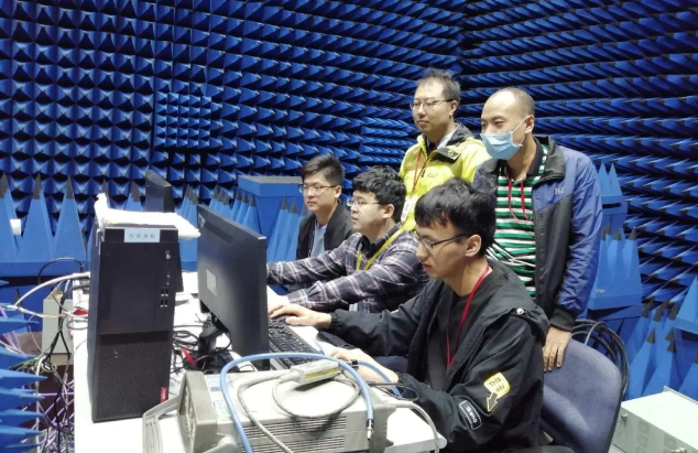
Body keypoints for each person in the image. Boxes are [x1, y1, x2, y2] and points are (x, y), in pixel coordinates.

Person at [270, 179, 548, 453]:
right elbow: (394, 327)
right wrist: (327, 319)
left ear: (471, 245)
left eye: (431, 243)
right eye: (419, 238)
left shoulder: (511, 322)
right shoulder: (446, 282)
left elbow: (469, 422)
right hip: (434, 420)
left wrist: (391, 380)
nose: (419, 253)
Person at [474, 87, 603, 372]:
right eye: (483, 124)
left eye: (498, 123)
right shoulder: (484, 172)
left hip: (536, 312)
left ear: (528, 123)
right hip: (486, 304)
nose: (488, 133)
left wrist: (562, 321)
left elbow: (585, 248)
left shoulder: (574, 169)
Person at [267, 166, 427, 313]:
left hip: (385, 335)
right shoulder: (357, 242)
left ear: (387, 211)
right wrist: (263, 270)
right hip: (357, 329)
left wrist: (288, 301)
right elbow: (313, 266)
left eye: (361, 203)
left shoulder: (407, 251)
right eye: (353, 201)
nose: (353, 209)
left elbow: (357, 284)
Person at [399, 68, 490, 230]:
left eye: (430, 103)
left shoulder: (473, 153)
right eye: (416, 104)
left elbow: (476, 213)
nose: (420, 111)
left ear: (452, 107)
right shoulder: (412, 153)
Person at [296, 154, 353, 260]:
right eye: (305, 187)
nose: (309, 194)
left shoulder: (350, 230)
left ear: (337, 191)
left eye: (317, 187)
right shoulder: (306, 224)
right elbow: (299, 265)